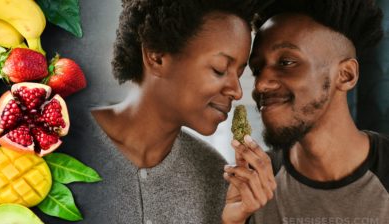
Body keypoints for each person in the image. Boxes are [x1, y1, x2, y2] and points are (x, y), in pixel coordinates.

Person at [74, 0, 263, 223]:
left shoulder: (215, 174)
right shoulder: (64, 144)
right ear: (157, 56)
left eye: (239, 73)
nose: (237, 91)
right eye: (219, 69)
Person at [222, 0, 389, 223]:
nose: (261, 85)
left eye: (286, 62)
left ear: (346, 75)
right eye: (258, 68)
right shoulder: (246, 187)